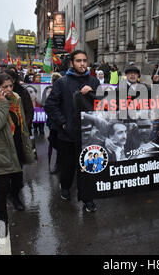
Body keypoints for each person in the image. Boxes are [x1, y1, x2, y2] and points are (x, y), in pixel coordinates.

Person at [0, 73, 35, 239]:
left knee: (18, 181)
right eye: (5, 87)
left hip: (17, 148)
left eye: (11, 86)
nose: (9, 90)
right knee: (1, 188)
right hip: (0, 153)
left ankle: (16, 197)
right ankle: (1, 221)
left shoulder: (16, 99)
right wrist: (3, 103)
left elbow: (21, 124)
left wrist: (27, 145)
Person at [44, 50, 100, 212]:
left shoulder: (94, 81)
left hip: (88, 134)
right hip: (67, 135)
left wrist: (93, 93)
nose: (82, 64)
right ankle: (65, 187)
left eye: (84, 60)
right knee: (67, 166)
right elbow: (51, 105)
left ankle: (87, 198)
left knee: (87, 167)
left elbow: (101, 105)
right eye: (78, 61)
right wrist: (63, 124)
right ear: (71, 63)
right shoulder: (62, 82)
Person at [42, 73, 63, 174]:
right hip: (55, 123)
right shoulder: (52, 91)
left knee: (58, 144)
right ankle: (56, 164)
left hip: (58, 123)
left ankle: (58, 164)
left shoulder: (62, 90)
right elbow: (49, 106)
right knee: (55, 143)